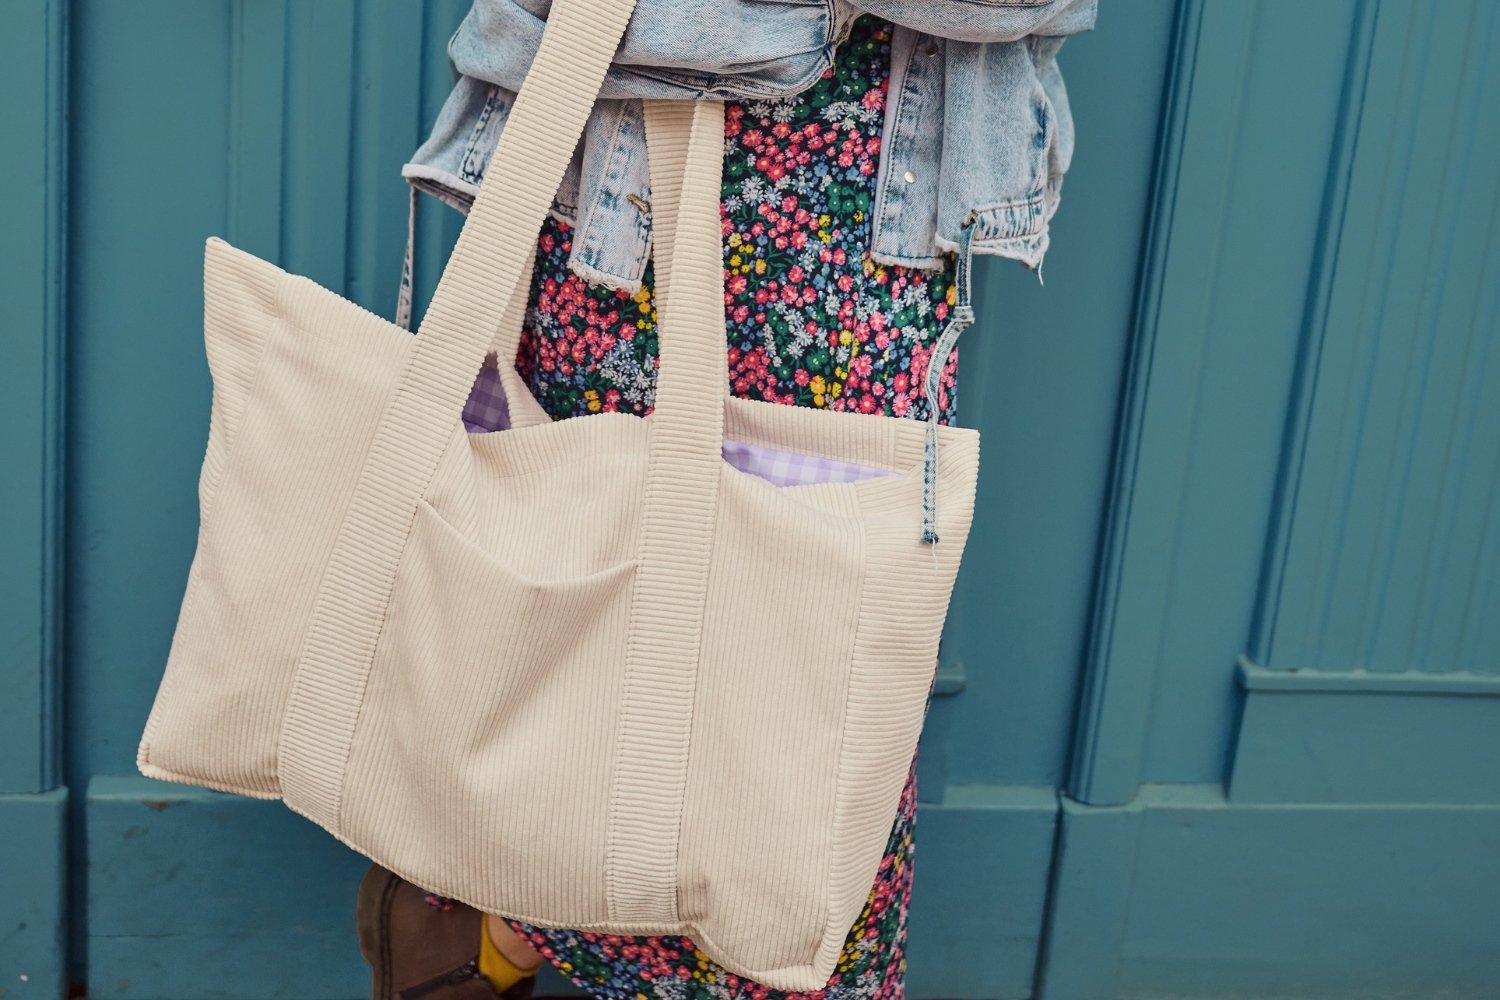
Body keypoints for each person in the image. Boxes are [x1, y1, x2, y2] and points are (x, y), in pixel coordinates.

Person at [357, 2, 1096, 998]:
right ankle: (509, 902)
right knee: (581, 607)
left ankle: (498, 918)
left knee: (800, 686)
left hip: (847, 228)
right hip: (612, 189)